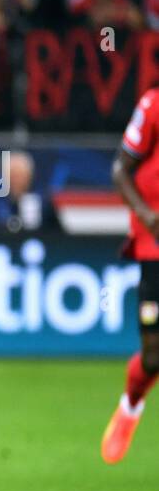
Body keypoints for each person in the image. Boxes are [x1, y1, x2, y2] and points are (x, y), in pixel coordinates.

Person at [101, 89, 159, 464]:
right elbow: (120, 169)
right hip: (155, 246)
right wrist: (148, 216)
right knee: (154, 355)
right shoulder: (152, 105)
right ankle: (131, 403)